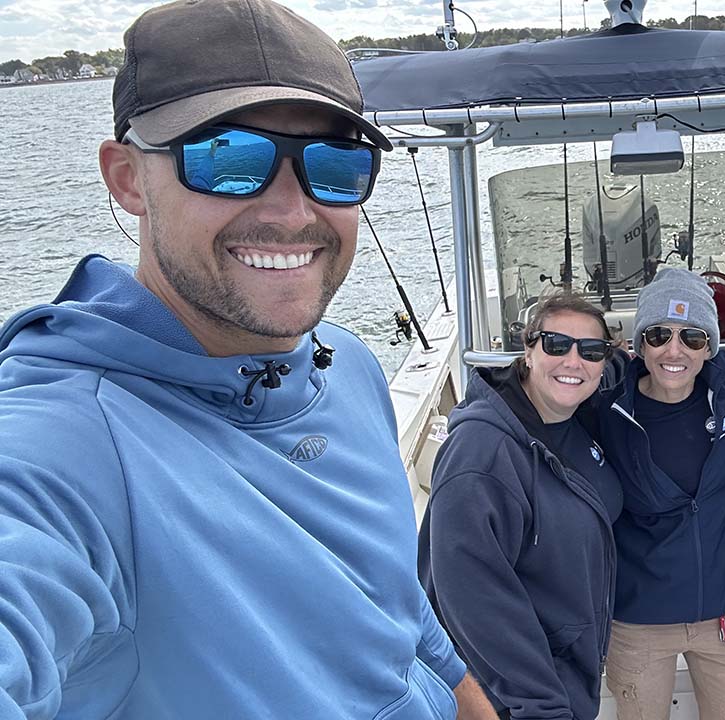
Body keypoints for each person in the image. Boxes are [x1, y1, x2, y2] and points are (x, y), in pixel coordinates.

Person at [0, 1, 497, 718]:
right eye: (228, 159)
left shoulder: (346, 364)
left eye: (333, 164)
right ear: (127, 178)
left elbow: (395, 604)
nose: (293, 211)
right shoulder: (68, 448)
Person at [421, 292, 625, 720]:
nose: (574, 361)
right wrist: (542, 705)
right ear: (528, 350)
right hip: (515, 699)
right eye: (556, 344)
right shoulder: (481, 455)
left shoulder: (567, 417)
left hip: (568, 674)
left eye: (591, 350)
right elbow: (475, 603)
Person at [591, 268, 725, 720]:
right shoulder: (603, 407)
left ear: (709, 347)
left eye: (692, 337)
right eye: (658, 335)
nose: (675, 350)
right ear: (637, 343)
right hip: (638, 619)